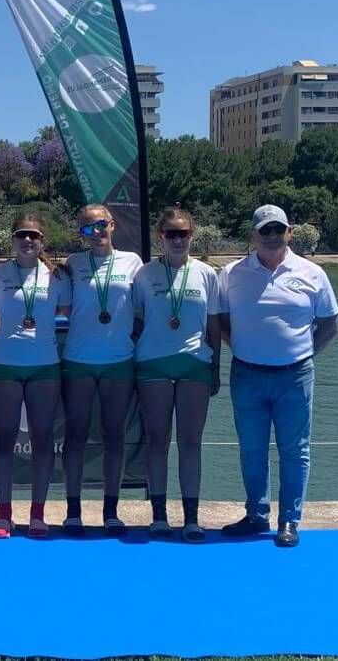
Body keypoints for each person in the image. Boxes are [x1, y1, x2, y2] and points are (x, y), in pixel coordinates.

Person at [219, 205, 338, 548]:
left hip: (295, 376)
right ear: (253, 235)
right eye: (265, 230)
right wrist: (244, 347)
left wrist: (301, 354)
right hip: (247, 375)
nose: (272, 236)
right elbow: (220, 321)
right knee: (251, 450)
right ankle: (256, 515)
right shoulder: (230, 274)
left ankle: (289, 520)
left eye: (278, 229)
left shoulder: (313, 273)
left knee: (295, 451)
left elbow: (330, 325)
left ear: (289, 233)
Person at [132, 207, 222, 542]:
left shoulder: (206, 274)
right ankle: (158, 516)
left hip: (194, 364)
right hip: (153, 363)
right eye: (171, 233)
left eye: (183, 233)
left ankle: (191, 519)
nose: (177, 239)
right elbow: (135, 321)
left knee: (190, 442)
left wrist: (215, 367)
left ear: (192, 236)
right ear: (161, 237)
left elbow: (213, 325)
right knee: (157, 441)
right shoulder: (144, 274)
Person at [0, 212, 70, 539]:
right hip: (4, 364)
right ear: (13, 239)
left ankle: (37, 514)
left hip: (45, 366)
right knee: (3, 439)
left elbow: (75, 314)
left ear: (43, 241)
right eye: (21, 234)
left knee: (42, 439)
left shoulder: (57, 276)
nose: (27, 240)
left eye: (34, 235)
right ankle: (4, 513)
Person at [61, 204, 144, 534]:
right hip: (79, 359)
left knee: (114, 436)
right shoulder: (73, 264)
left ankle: (111, 511)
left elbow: (143, 308)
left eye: (100, 225)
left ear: (112, 225)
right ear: (80, 234)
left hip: (119, 360)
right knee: (75, 436)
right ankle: (73, 511)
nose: (95, 233)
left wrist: (131, 336)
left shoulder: (133, 262)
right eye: (87, 228)